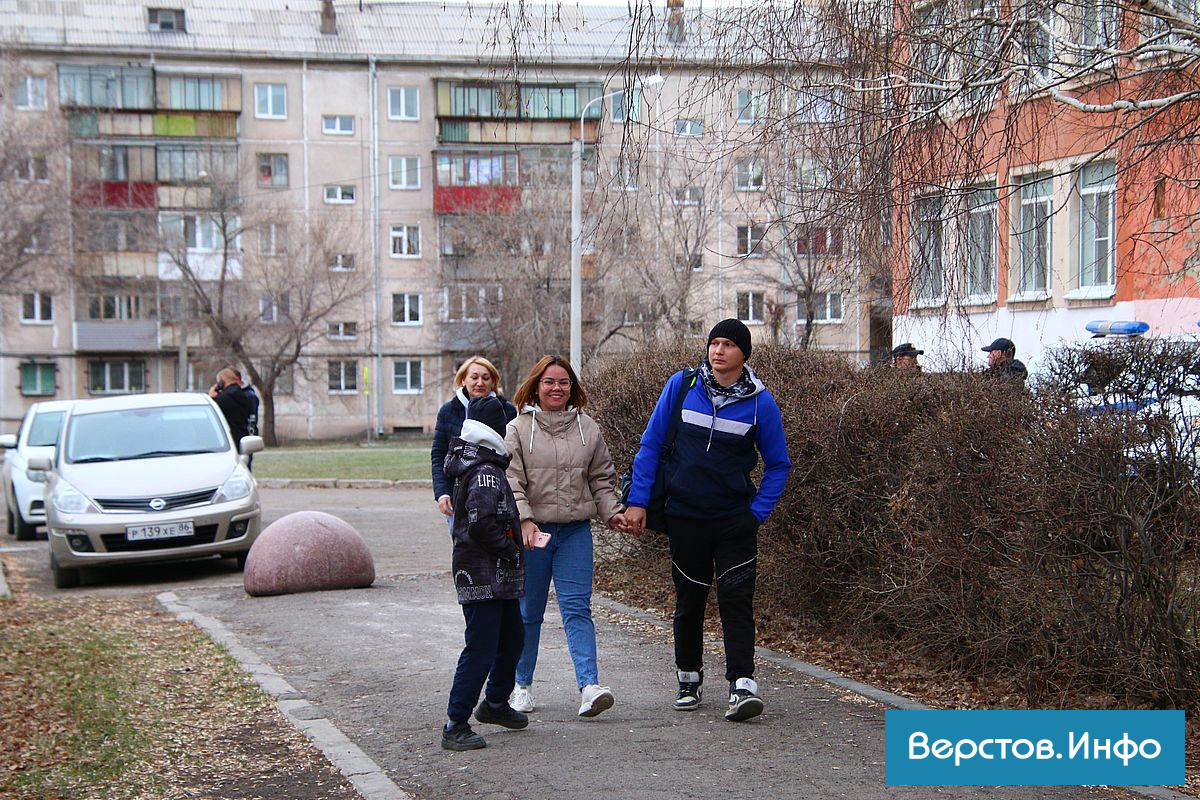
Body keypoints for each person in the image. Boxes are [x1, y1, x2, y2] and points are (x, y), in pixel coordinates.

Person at [624, 319, 792, 722]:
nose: (718, 351)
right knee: (689, 601)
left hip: (734, 520)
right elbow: (650, 445)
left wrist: (756, 514)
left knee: (736, 601)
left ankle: (742, 684)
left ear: (743, 354)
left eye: (728, 345)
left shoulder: (760, 402)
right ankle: (689, 678)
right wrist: (637, 501)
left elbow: (778, 466)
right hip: (685, 517)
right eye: (714, 343)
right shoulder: (681, 386)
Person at [504, 355, 627, 718]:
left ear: (572, 388)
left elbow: (601, 480)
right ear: (536, 386)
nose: (556, 388)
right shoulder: (517, 429)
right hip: (534, 535)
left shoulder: (588, 429)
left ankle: (589, 686)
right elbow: (512, 481)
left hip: (575, 533)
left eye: (563, 383)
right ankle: (521, 685)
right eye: (549, 382)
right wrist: (524, 521)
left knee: (578, 609)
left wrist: (614, 513)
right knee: (529, 613)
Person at [441, 395, 529, 751]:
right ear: (497, 430)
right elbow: (481, 525)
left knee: (512, 638)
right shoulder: (485, 472)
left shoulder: (480, 464)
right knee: (481, 647)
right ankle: (455, 722)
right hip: (483, 576)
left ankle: (495, 702)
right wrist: (510, 551)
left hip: (497, 577)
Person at [432, 357, 518, 531]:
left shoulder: (507, 410)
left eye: (486, 378)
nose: (480, 382)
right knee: (465, 549)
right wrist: (442, 493)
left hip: (498, 494)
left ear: (493, 381)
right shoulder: (448, 411)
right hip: (459, 495)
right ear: (463, 379)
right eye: (474, 377)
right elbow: (439, 455)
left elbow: (514, 452)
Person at [209, 367, 252, 446]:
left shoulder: (226, 397)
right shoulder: (240, 393)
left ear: (222, 381)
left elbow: (214, 410)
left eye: (218, 382)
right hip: (242, 433)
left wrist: (212, 397)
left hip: (232, 436)